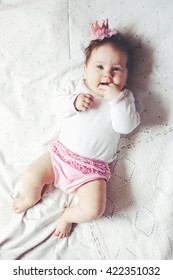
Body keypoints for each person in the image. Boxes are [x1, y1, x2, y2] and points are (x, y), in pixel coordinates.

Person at [13, 19, 140, 238]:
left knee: (94, 209)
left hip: (92, 171)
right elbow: (55, 106)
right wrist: (73, 103)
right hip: (60, 156)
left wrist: (115, 99)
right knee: (31, 175)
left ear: (126, 77)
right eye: (99, 67)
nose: (107, 75)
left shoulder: (124, 99)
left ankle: (69, 215)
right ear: (85, 69)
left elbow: (127, 126)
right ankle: (31, 197)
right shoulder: (77, 88)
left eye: (116, 69)